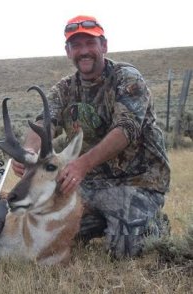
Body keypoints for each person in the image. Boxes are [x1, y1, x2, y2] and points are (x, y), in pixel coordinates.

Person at [12, 15, 170, 259]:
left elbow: (126, 129)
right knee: (54, 235)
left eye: (90, 43)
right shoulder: (64, 89)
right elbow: (43, 123)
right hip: (87, 185)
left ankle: (151, 223)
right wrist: (28, 153)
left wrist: (82, 164)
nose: (83, 51)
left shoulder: (127, 78)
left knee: (125, 251)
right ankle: (106, 223)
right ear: (68, 52)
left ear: (103, 46)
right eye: (76, 45)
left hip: (138, 181)